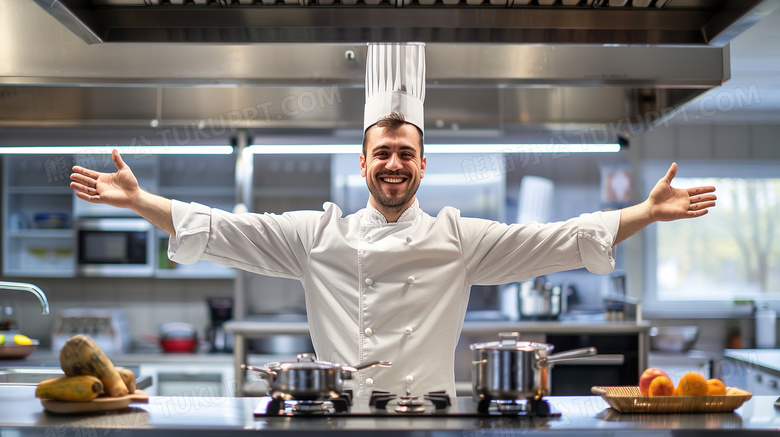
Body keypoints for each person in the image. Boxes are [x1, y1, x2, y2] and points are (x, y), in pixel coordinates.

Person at [70, 44, 716, 399]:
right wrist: (139, 200)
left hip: (434, 417)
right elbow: (220, 228)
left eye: (406, 152)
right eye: (383, 152)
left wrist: (645, 211)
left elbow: (563, 240)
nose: (394, 163)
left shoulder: (459, 237)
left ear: (424, 164)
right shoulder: (316, 234)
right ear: (362, 163)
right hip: (334, 417)